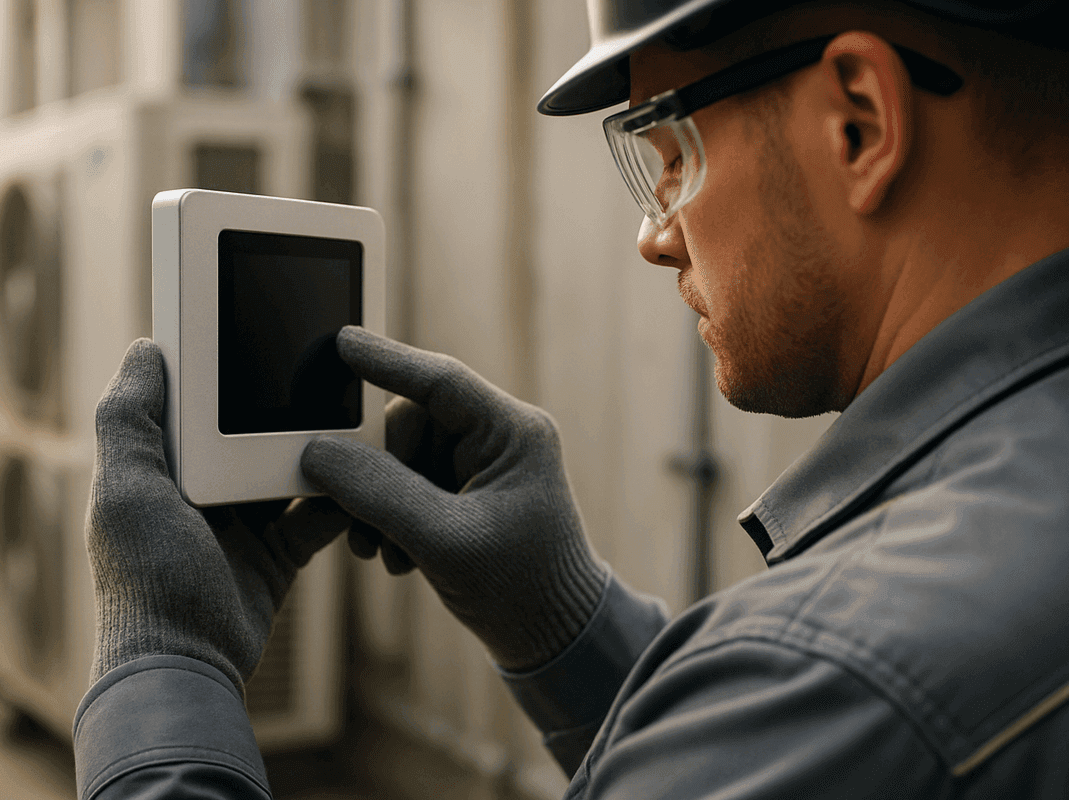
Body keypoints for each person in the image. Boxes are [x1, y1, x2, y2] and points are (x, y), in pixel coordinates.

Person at [74, 0, 1069, 797]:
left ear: (859, 120)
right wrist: (562, 620)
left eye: (670, 150)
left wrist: (165, 665)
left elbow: (812, 719)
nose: (656, 233)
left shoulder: (843, 680)